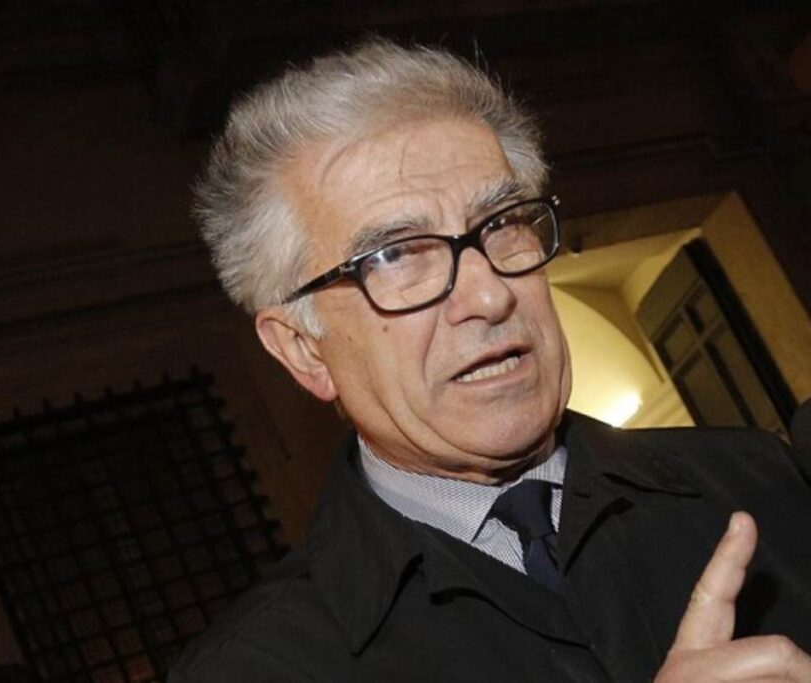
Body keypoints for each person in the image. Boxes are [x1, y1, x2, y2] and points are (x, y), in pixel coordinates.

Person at [169, 39, 811, 682]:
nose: (489, 294)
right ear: (303, 348)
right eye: (395, 255)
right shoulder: (256, 669)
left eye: (502, 223)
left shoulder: (762, 481)